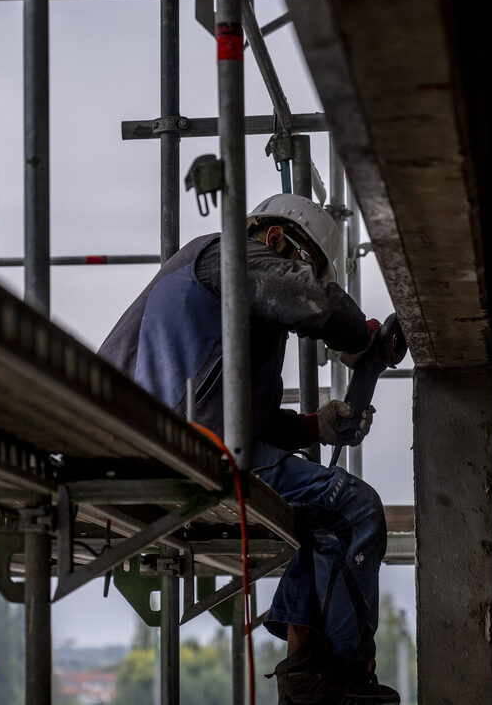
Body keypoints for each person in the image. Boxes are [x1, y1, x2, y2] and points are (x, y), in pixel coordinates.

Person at [99, 193, 400, 704]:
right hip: (178, 448)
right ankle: (344, 677)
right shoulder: (223, 255)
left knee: (322, 524)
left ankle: (306, 673)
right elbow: (316, 302)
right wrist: (357, 338)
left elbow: (249, 421)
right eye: (309, 269)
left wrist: (315, 427)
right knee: (354, 507)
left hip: (197, 445)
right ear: (276, 238)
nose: (309, 283)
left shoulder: (242, 311)